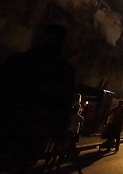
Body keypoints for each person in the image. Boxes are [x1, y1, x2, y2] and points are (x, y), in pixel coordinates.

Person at [0, 25, 76, 173]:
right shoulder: (65, 71)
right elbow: (62, 106)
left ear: (43, 38)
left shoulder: (18, 61)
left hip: (7, 126)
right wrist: (59, 135)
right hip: (36, 135)